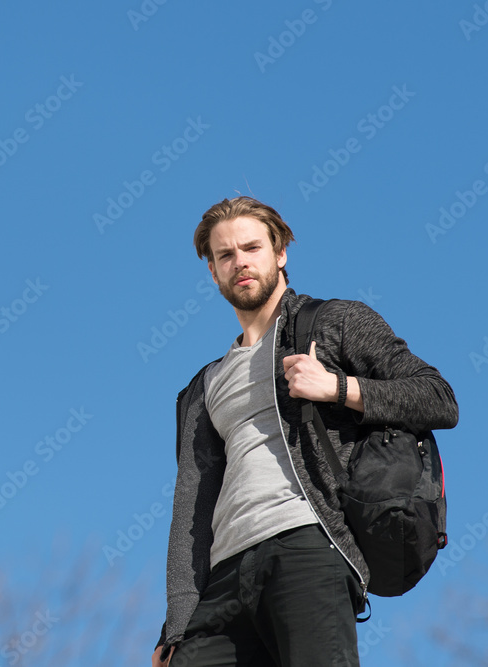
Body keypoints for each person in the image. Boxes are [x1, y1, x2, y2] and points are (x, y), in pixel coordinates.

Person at [152, 196, 459, 666]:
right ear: (212, 272)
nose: (240, 263)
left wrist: (339, 387)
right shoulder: (202, 388)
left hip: (308, 548)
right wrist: (175, 627)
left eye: (251, 248)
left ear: (280, 253)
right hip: (223, 580)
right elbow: (191, 509)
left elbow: (438, 397)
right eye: (225, 255)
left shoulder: (334, 322)